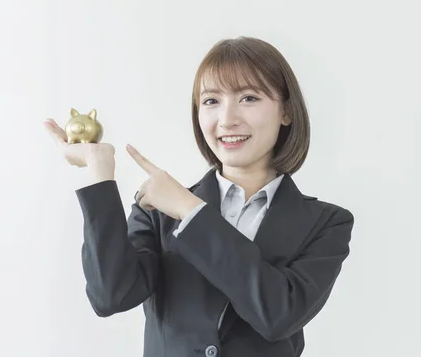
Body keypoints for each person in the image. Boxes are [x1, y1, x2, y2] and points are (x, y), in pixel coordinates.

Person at [43, 36, 355, 357]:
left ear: (286, 111)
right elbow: (111, 296)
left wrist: (191, 211)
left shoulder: (327, 223)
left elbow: (278, 315)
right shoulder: (156, 209)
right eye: (211, 101)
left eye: (248, 98)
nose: (227, 119)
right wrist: (99, 170)